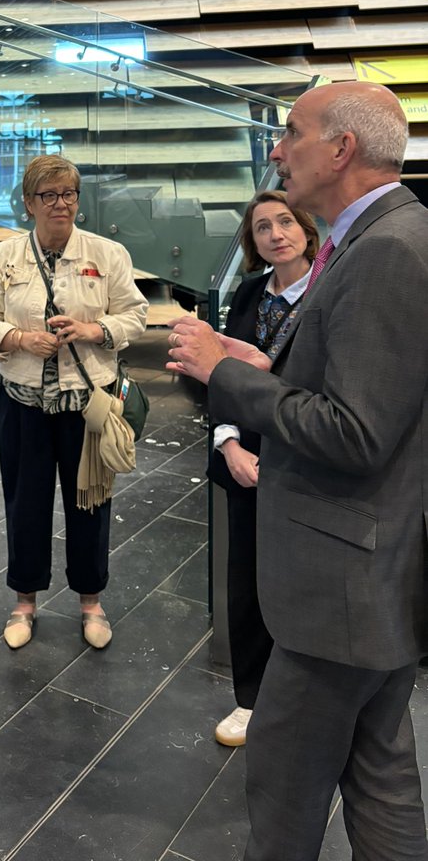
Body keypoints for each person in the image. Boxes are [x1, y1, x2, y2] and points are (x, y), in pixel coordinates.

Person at [168, 82, 428, 860]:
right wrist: (268, 367)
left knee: (284, 794)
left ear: (341, 149)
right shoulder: (386, 234)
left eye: (291, 133)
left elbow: (356, 433)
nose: (277, 151)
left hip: (338, 591)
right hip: (370, 581)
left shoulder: (385, 250)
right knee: (380, 777)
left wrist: (224, 373)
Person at [0, 155, 148, 650]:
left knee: (90, 502)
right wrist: (19, 339)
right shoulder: (4, 256)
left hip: (86, 407)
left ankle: (91, 601)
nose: (61, 204)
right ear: (29, 203)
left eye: (68, 193)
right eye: (48, 195)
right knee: (25, 504)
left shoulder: (107, 253)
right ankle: (24, 601)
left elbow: (135, 315)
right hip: (23, 404)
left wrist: (93, 330)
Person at [210, 190, 318, 747]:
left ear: (306, 229)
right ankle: (251, 698)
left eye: (285, 222)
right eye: (262, 228)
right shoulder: (249, 293)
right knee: (247, 583)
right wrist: (229, 443)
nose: (276, 234)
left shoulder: (329, 290)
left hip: (307, 461)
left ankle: (304, 700)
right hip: (247, 462)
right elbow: (222, 374)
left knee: (306, 583)